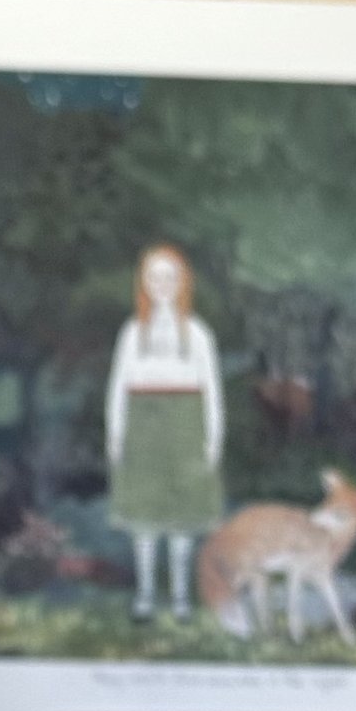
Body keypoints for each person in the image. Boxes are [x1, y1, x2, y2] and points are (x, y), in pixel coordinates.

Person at [104, 243, 224, 619]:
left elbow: (212, 390)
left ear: (183, 281)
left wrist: (214, 438)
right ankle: (145, 596)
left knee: (182, 518)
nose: (162, 284)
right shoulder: (131, 333)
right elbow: (118, 386)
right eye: (154, 277)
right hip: (141, 430)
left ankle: (180, 597)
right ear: (143, 282)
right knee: (144, 518)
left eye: (170, 277)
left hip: (186, 428)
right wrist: (115, 433)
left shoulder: (198, 334)